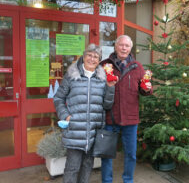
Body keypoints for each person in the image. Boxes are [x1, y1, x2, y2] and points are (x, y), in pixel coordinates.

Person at [53, 44, 117, 183]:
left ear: (99, 60)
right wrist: (66, 116)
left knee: (88, 166)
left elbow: (107, 105)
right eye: (89, 55)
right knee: (72, 167)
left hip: (94, 131)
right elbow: (58, 98)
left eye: (96, 56)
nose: (92, 59)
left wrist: (111, 88)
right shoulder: (71, 75)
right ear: (84, 56)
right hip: (75, 130)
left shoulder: (102, 78)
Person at [100, 35, 153, 183]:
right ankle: (107, 181)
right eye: (121, 45)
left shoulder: (137, 66)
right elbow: (97, 89)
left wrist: (147, 89)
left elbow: (144, 88)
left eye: (127, 46)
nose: (124, 48)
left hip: (130, 119)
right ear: (116, 46)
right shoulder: (104, 65)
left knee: (131, 154)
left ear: (130, 48)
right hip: (110, 117)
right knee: (107, 154)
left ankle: (128, 180)